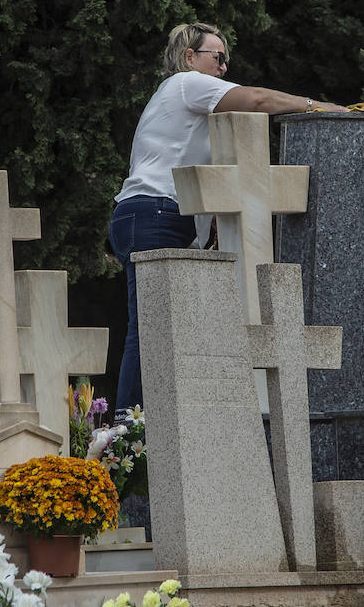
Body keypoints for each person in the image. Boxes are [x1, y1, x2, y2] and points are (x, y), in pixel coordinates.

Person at [109, 22, 347, 411]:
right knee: (152, 328)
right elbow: (257, 100)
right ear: (190, 56)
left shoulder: (187, 99)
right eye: (217, 58)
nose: (223, 69)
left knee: (169, 331)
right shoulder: (187, 83)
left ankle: (159, 423)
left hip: (156, 215)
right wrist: (317, 106)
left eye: (225, 61)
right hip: (154, 212)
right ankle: (129, 428)